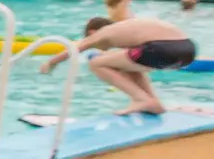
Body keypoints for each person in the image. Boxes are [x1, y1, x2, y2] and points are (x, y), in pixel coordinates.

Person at [43, 14, 196, 115]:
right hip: (188, 50)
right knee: (127, 63)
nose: (101, 48)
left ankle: (142, 99)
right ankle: (154, 103)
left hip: (161, 48)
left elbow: (75, 47)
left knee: (96, 64)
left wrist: (51, 62)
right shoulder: (126, 28)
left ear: (92, 32)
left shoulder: (103, 32)